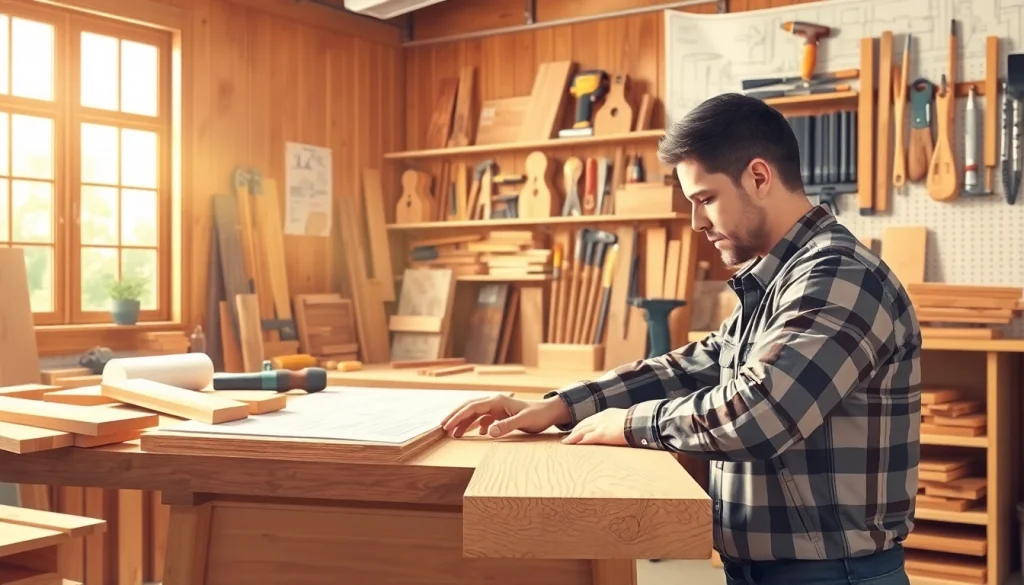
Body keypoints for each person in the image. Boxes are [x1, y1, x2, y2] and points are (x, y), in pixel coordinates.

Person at [442, 93, 921, 585]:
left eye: (705, 199)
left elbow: (760, 413)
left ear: (759, 177)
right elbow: (700, 364)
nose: (696, 223)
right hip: (770, 571)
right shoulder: (780, 278)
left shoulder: (839, 274)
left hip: (833, 576)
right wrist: (562, 406)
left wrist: (630, 423)